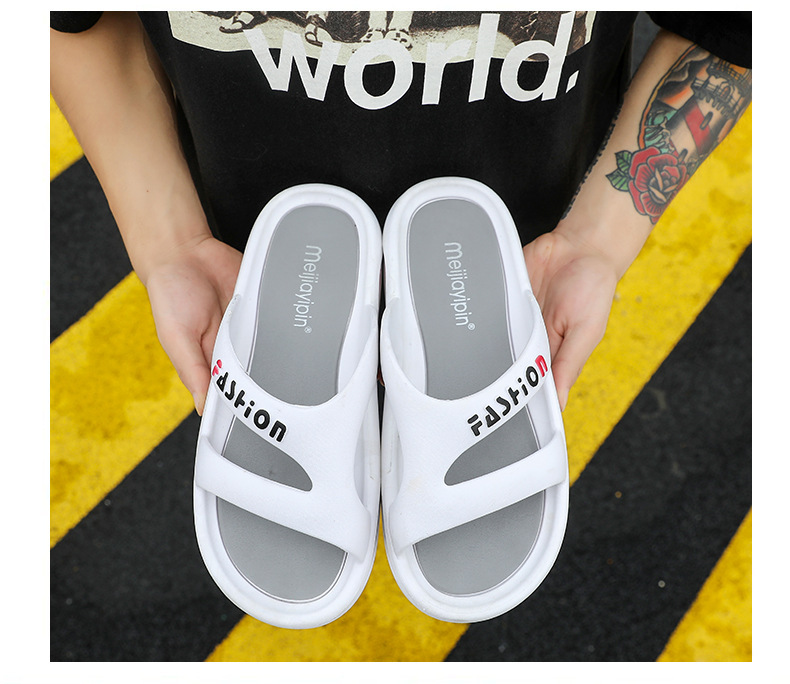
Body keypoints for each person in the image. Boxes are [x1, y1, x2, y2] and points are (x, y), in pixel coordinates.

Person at [49, 11, 752, 415]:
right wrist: (170, 242)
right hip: (250, 279)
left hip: (514, 279)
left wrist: (597, 239)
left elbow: (735, 26)